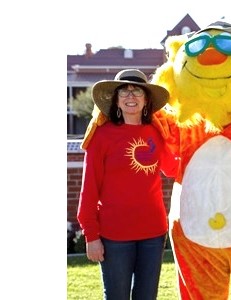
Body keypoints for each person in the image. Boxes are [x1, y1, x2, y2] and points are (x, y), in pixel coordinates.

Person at [77, 69, 177, 299]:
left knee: (147, 295)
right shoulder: (101, 136)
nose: (130, 96)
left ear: (146, 100)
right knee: (116, 295)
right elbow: (89, 190)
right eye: (124, 91)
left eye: (137, 91)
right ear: (116, 100)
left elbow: (172, 168)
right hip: (114, 235)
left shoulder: (156, 131)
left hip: (153, 233)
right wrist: (91, 236)